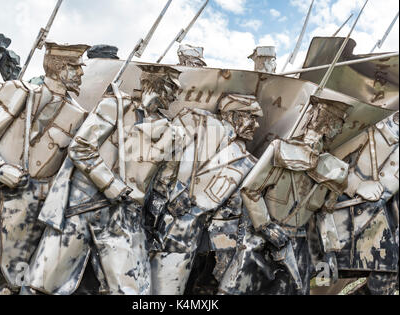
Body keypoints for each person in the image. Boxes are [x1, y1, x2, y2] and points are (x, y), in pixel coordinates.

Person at [24, 64, 183, 295]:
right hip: (82, 207)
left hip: (125, 218)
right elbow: (81, 148)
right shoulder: (115, 106)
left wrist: (155, 222)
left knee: (131, 291)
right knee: (42, 285)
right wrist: (111, 185)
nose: (176, 94)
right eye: (172, 86)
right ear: (154, 83)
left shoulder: (173, 134)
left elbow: (162, 187)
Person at [0, 41, 90, 294]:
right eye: (75, 67)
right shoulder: (17, 91)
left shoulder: (79, 116)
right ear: (58, 68)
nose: (81, 74)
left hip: (31, 223)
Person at [220, 96, 352, 295]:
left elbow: (325, 213)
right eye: (338, 123)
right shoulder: (281, 149)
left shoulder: (336, 169)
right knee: (234, 290)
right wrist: (265, 225)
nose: (340, 130)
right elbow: (250, 190)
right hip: (260, 239)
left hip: (297, 244)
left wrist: (330, 251)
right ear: (325, 122)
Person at [148, 94, 263, 295]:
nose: (256, 125)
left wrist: (222, 249)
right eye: (251, 117)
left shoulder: (247, 161)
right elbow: (165, 157)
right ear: (233, 115)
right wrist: (166, 194)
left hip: (191, 236)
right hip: (155, 218)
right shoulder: (197, 121)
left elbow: (233, 206)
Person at [316, 112, 399, 295]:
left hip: (377, 227)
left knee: (386, 275)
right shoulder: (369, 131)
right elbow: (323, 160)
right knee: (322, 279)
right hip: (338, 219)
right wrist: (357, 184)